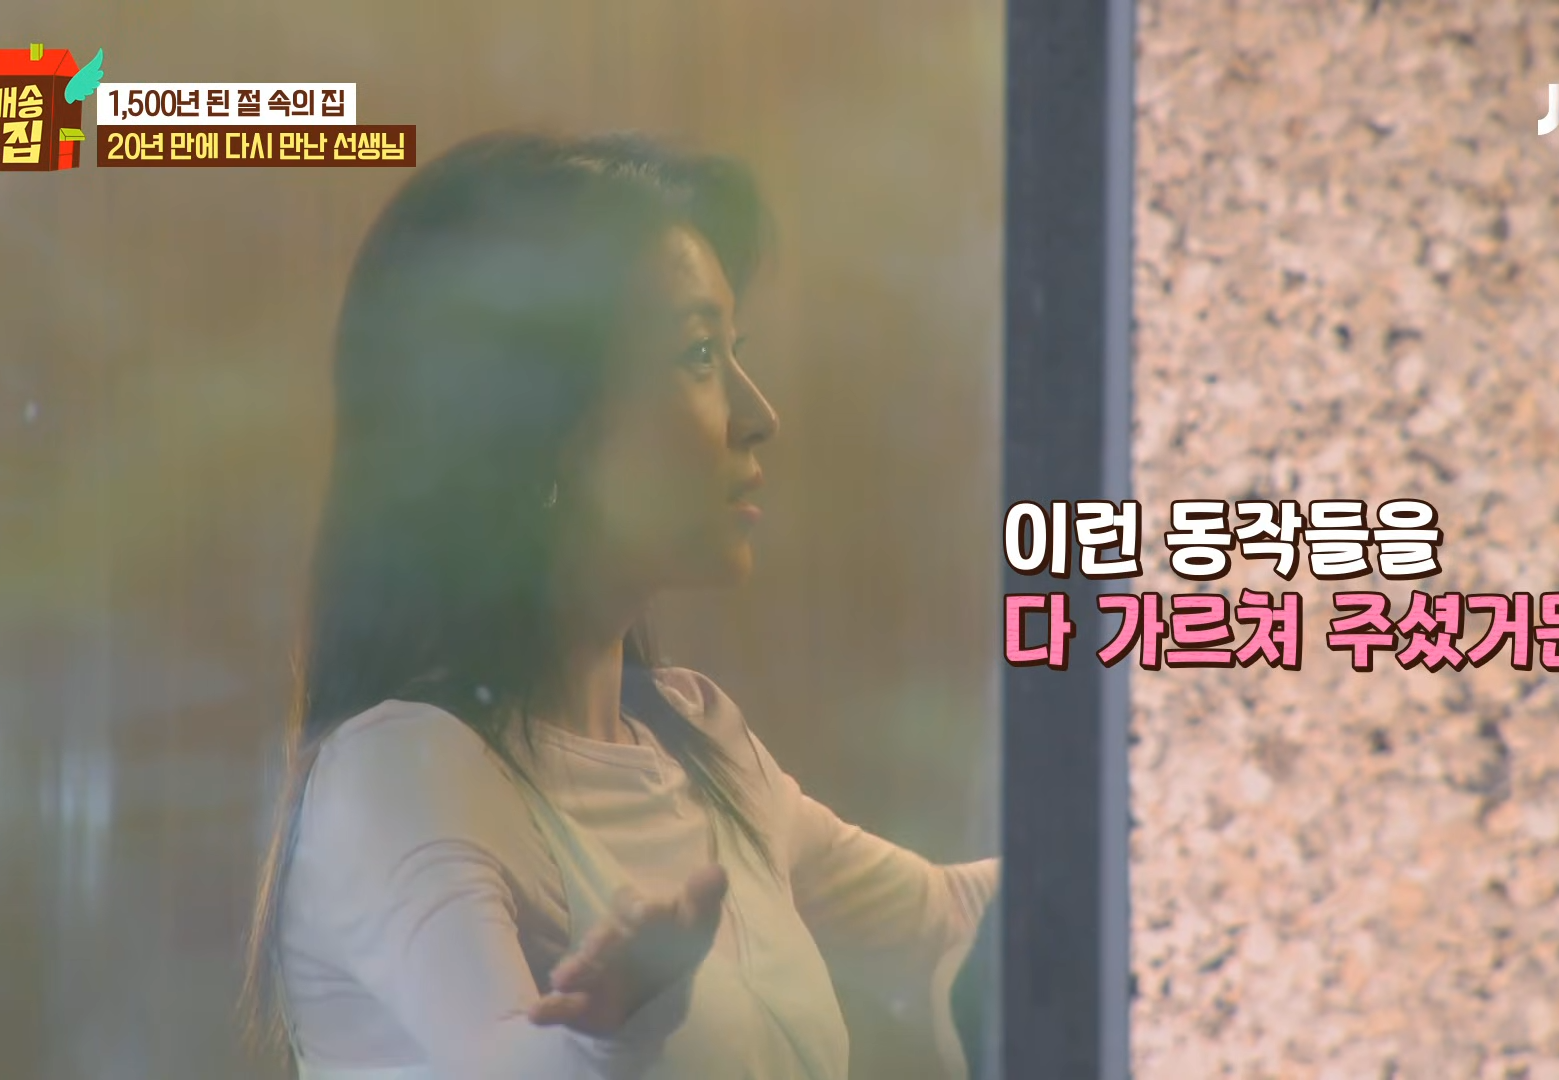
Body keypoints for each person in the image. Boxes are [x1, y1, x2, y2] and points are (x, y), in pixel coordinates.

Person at [240, 132, 1000, 1080]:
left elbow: (947, 922)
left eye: (735, 351)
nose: (758, 413)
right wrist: (613, 1030)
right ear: (531, 421)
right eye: (698, 353)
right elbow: (507, 1062)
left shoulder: (698, 741)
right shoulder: (401, 768)